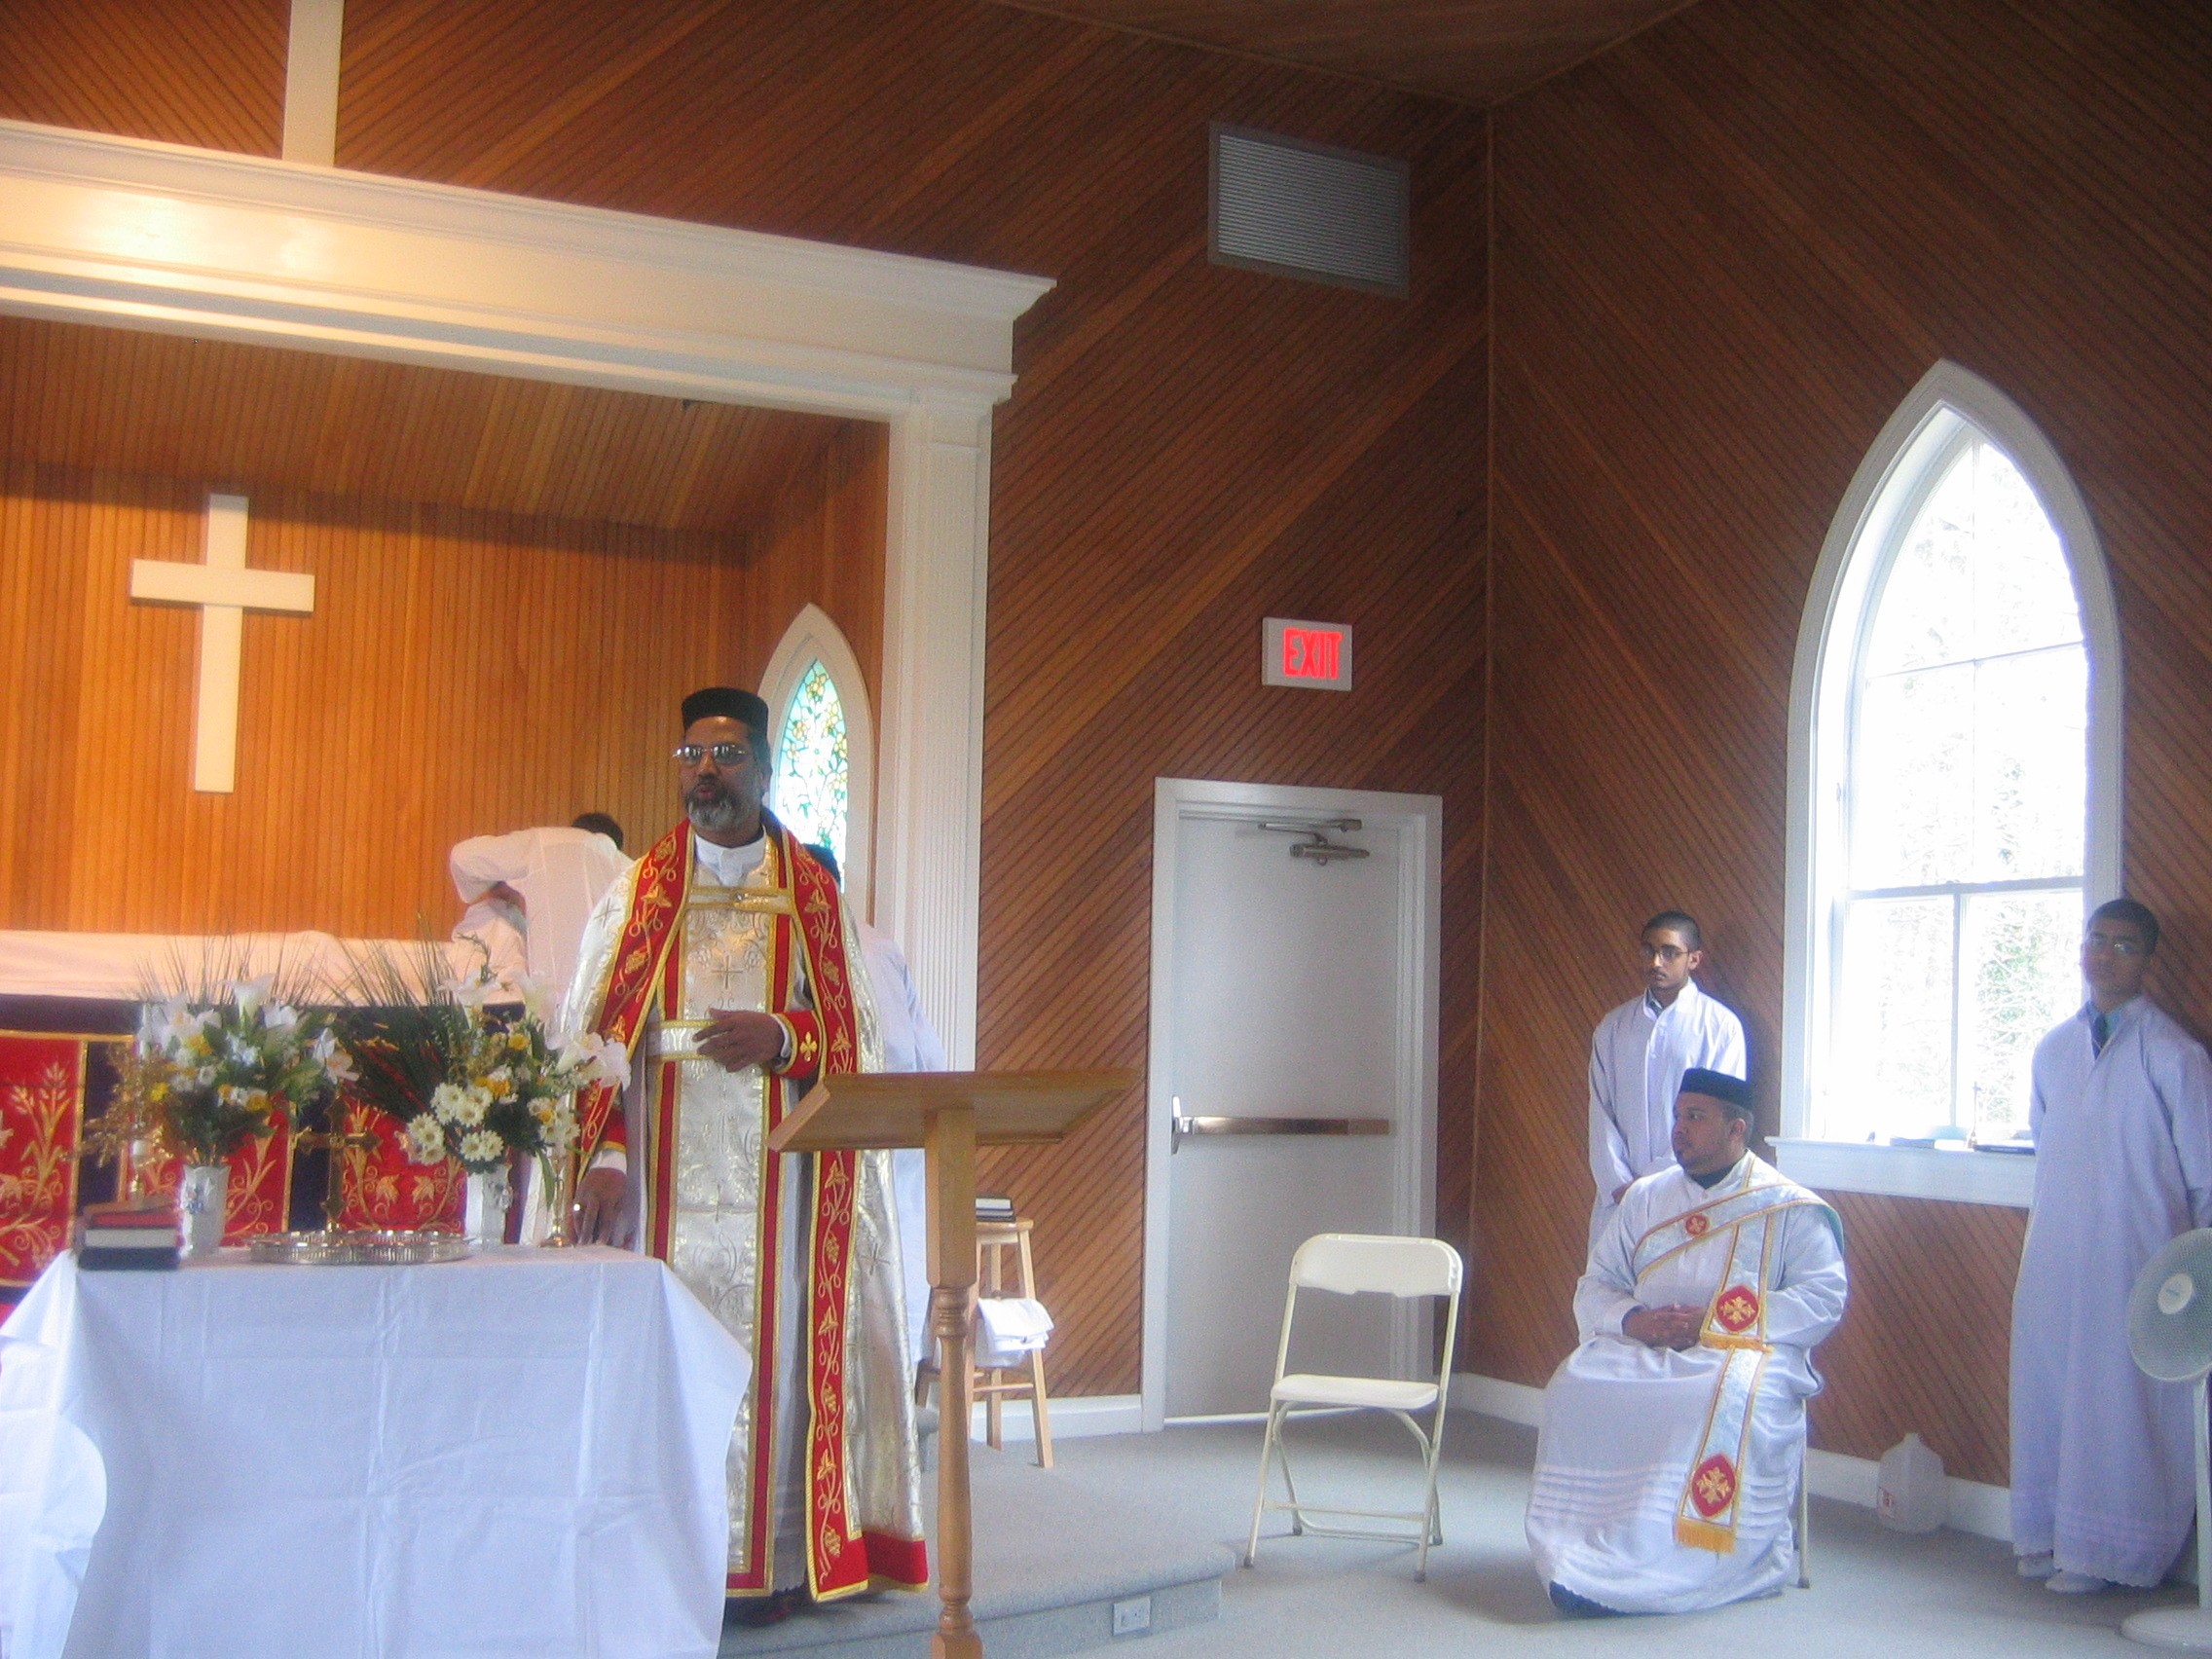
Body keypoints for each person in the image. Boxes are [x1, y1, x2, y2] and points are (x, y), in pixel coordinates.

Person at [557, 689, 926, 1619]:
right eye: (691, 757)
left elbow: (859, 1041)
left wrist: (785, 1037)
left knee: (773, 1361)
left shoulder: (812, 896)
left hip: (781, 1180)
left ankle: (767, 1564)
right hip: (657, 1177)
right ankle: (662, 1561)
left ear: (764, 769)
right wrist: (605, 1156)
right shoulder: (638, 894)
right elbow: (590, 1038)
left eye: (724, 757)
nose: (705, 774)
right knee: (665, 1363)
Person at [1528, 1069, 1847, 1616]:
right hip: (1643, 1343)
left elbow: (1823, 1298)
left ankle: (1685, 1560)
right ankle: (1582, 1548)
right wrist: (1635, 1321)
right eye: (1677, 1115)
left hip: (1739, 1352)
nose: (1679, 1128)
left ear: (1736, 1129)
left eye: (1695, 1117)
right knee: (1575, 1382)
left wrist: (1715, 1322)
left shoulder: (1789, 1207)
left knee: (1709, 1399)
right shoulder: (1645, 1198)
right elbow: (1596, 1283)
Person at [2011, 898, 2212, 1593]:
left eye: (2123, 945)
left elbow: (2203, 1175)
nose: (2104, 956)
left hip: (2139, 1258)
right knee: (2049, 1385)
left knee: (2119, 1401)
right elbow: (2049, 1144)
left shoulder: (2175, 1055)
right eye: (2096, 940)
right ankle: (2049, 1534)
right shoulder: (2052, 1050)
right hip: (2057, 1251)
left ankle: (2111, 1552)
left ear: (2147, 959)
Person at [806, 843, 946, 1364]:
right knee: (887, 1299)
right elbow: (931, 1059)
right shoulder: (880, 946)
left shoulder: (813, 945)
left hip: (843, 1138)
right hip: (896, 1136)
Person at [1587, 911, 1746, 1249]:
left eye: (1669, 952)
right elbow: (1600, 1110)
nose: (1656, 962)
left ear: (1694, 959)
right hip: (1618, 1195)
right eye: (1648, 951)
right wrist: (1619, 1183)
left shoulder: (1720, 1027)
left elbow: (1717, 1117)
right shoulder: (1614, 1026)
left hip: (1688, 1189)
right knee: (1612, 1278)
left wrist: (1654, 1182)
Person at [448, 817, 631, 1002]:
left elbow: (463, 858)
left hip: (550, 1001)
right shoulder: (631, 870)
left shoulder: (546, 844)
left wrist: (493, 883)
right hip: (614, 1002)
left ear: (573, 831)